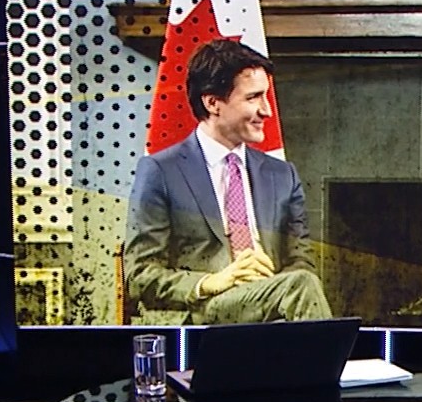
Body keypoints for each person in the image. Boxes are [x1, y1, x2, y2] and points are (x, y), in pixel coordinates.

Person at [124, 39, 332, 323]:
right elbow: (139, 276)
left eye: (266, 96)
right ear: (212, 103)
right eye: (253, 98)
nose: (267, 111)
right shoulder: (161, 171)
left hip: (269, 304)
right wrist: (212, 281)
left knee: (301, 282)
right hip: (202, 312)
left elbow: (302, 263)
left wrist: (269, 283)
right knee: (301, 286)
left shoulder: (283, 175)